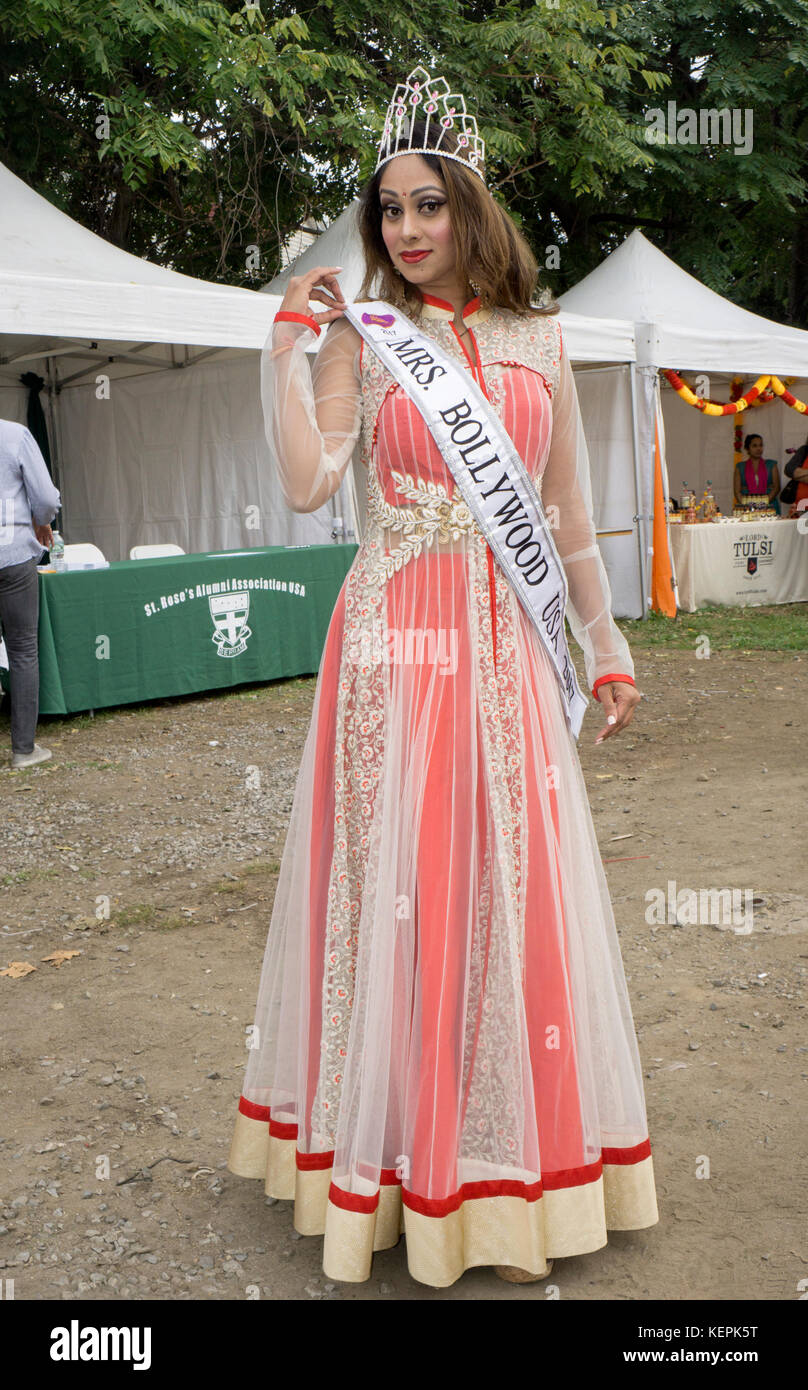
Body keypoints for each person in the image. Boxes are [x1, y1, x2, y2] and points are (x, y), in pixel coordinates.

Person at [227, 65, 658, 1288]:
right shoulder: (371, 339)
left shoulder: (541, 335)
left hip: (505, 643)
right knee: (400, 880)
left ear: (468, 206)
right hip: (395, 642)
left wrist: (604, 645)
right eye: (389, 214)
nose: (408, 233)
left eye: (427, 207)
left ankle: (510, 1155)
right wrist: (285, 352)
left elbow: (566, 509)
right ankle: (395, 1157)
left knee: (505, 880)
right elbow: (314, 484)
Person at [0, 419, 61, 769]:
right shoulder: (14, 434)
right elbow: (46, 498)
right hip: (13, 555)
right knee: (22, 650)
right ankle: (23, 750)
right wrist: (42, 520)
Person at [733, 433, 780, 512]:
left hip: (769, 506)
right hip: (746, 508)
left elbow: (776, 488)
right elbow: (737, 492)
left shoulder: (771, 464)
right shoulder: (740, 467)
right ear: (747, 449)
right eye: (754, 446)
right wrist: (747, 506)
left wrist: (763, 504)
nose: (758, 448)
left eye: (760, 445)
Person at [782, 432, 808, 515]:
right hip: (800, 507)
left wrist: (798, 475)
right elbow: (789, 469)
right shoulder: (804, 450)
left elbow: (794, 473)